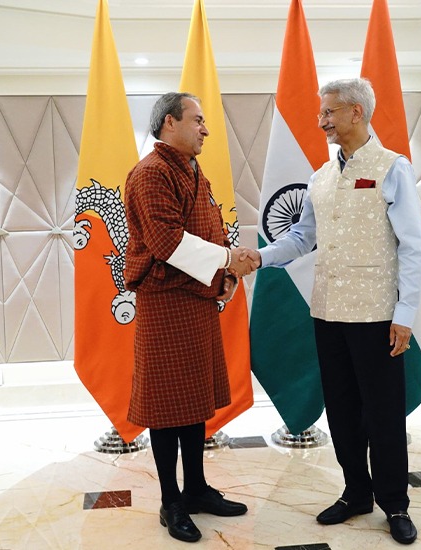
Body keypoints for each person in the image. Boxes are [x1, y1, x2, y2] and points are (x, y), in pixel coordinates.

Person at [235, 78, 421, 545]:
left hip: (378, 316)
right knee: (341, 410)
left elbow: (414, 247)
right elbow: (302, 237)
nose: (321, 120)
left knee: (383, 413)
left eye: (330, 113)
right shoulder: (320, 177)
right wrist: (261, 256)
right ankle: (355, 492)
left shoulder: (391, 168)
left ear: (357, 113)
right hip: (327, 314)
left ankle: (395, 504)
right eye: (322, 113)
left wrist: (405, 313)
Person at [122, 91, 258, 543]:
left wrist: (224, 276)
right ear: (168, 124)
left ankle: (197, 488)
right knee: (166, 407)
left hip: (196, 297)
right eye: (197, 120)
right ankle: (171, 500)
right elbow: (166, 241)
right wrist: (227, 260)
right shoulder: (150, 173)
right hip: (165, 303)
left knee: (193, 400)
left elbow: (210, 227)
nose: (205, 129)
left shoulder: (190, 168)